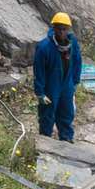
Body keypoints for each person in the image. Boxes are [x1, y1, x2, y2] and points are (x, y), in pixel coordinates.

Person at [32, 12, 81, 143]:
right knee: (47, 114)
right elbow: (39, 71)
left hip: (67, 85)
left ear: (68, 29)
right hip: (50, 86)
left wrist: (75, 81)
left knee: (66, 112)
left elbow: (77, 62)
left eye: (64, 29)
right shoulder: (44, 47)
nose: (61, 31)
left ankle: (66, 139)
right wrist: (40, 93)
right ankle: (45, 140)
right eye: (58, 28)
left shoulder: (73, 44)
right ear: (53, 28)